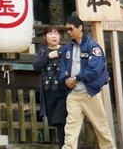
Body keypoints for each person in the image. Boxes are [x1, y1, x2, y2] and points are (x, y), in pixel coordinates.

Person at [60, 14, 115, 149]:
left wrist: (76, 78)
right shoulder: (67, 48)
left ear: (80, 28)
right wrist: (66, 79)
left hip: (90, 93)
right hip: (73, 95)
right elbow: (63, 70)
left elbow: (95, 70)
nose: (69, 32)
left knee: (101, 127)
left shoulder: (92, 46)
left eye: (71, 29)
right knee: (70, 130)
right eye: (67, 29)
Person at [33, 25, 69, 148]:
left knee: (61, 120)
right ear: (44, 37)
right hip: (49, 91)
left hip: (64, 91)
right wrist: (48, 57)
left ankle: (64, 146)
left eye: (56, 34)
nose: (54, 36)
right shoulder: (42, 52)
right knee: (56, 120)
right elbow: (36, 66)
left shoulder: (65, 50)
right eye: (50, 34)